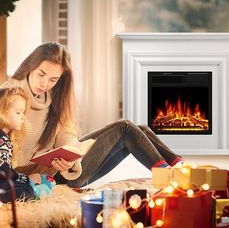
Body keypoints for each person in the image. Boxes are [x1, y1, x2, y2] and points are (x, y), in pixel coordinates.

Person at [0, 43, 183, 188]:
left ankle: (177, 168)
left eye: (53, 79)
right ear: (30, 67)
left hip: (63, 169)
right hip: (36, 179)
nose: (45, 83)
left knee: (138, 129)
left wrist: (70, 155)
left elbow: (67, 131)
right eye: (41, 74)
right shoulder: (9, 97)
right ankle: (171, 177)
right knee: (125, 128)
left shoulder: (52, 96)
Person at [0, 87, 35, 202]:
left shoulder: (4, 137)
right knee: (27, 190)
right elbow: (4, 172)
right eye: (18, 112)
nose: (23, 117)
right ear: (3, 112)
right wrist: (26, 178)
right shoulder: (3, 140)